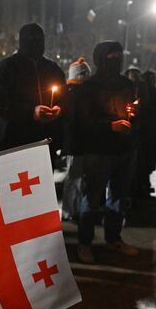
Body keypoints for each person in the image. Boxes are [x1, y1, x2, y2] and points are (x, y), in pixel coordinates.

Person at [75, 41, 139, 264]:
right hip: (98, 151)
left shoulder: (126, 85)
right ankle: (84, 243)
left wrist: (133, 118)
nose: (117, 59)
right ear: (101, 58)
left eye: (120, 55)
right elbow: (83, 121)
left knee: (118, 198)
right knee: (92, 199)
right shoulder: (89, 87)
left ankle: (114, 238)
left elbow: (134, 109)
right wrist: (109, 126)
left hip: (124, 149)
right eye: (112, 56)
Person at [0, 23, 66, 157]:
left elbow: (64, 98)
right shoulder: (6, 68)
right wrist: (31, 112)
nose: (36, 42)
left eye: (39, 38)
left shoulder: (53, 69)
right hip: (13, 144)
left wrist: (59, 109)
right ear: (22, 41)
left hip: (45, 144)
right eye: (31, 39)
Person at [61, 58, 91, 221]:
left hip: (77, 143)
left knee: (78, 179)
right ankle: (70, 211)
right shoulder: (74, 94)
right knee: (75, 179)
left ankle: (74, 209)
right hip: (77, 144)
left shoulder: (71, 92)